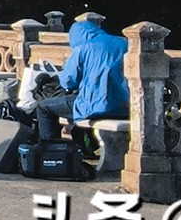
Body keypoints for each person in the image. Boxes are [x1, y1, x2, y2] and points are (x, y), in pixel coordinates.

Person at [43, 11, 129, 148]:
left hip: (96, 106)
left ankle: (51, 151)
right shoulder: (123, 43)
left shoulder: (82, 48)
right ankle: (85, 148)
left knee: (44, 107)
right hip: (125, 106)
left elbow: (67, 82)